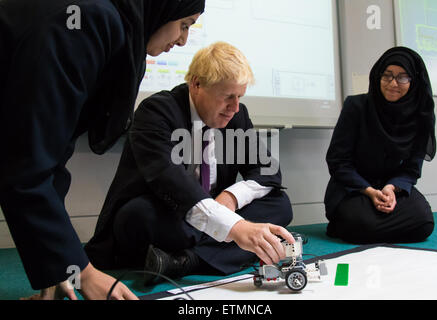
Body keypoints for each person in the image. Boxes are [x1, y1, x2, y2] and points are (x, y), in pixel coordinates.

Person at [0, 0, 205, 300]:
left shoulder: (108, 23)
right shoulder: (92, 21)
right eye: (184, 24)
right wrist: (83, 272)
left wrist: (58, 268)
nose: (184, 39)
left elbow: (52, 154)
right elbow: (27, 164)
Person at [84, 42, 295, 282]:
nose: (234, 108)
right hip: (170, 212)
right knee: (138, 215)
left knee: (280, 203)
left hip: (204, 217)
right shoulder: (156, 111)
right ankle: (223, 251)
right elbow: (172, 182)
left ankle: (183, 262)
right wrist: (235, 227)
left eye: (239, 97)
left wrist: (231, 198)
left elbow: (268, 172)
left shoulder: (237, 114)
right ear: (196, 84)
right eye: (227, 97)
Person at [324, 46, 436, 244]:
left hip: (392, 190)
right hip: (354, 189)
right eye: (387, 75)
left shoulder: (420, 116)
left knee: (424, 221)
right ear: (378, 76)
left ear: (414, 81)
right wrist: (369, 191)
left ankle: (360, 229)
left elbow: (412, 169)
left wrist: (391, 188)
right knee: (358, 220)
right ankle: (357, 225)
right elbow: (338, 161)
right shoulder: (356, 106)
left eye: (402, 77)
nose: (393, 83)